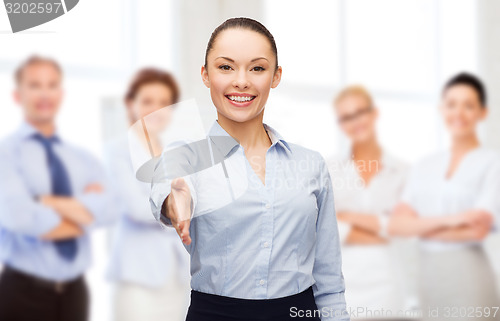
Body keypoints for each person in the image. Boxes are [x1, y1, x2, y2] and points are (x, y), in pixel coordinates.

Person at [149, 17, 349, 321]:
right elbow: (168, 190)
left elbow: (329, 277)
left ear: (275, 76)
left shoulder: (310, 165)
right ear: (205, 75)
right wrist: (178, 200)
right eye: (225, 67)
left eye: (257, 68)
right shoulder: (187, 156)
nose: (241, 81)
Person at [0, 55, 116, 321]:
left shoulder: (81, 158)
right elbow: (19, 217)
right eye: (35, 85)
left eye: (52, 85)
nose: (45, 93)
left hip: (75, 293)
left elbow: (109, 210)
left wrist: (43, 201)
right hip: (22, 293)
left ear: (61, 94)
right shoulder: (5, 154)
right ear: (18, 95)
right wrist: (84, 216)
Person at [389, 72, 500, 321]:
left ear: (483, 113)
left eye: (468, 105)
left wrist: (417, 226)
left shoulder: (493, 163)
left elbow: (477, 229)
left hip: (470, 276)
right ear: (441, 109)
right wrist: (455, 220)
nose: (458, 113)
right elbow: (396, 225)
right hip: (429, 277)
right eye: (451, 104)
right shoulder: (424, 165)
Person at [106, 68, 190, 321]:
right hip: (138, 276)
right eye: (147, 101)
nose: (156, 109)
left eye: (164, 103)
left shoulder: (178, 152)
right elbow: (136, 208)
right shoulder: (117, 151)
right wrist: (179, 208)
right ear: (131, 104)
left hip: (178, 275)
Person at [327, 86, 411, 320]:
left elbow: (406, 229)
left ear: (374, 114)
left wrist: (347, 218)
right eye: (346, 117)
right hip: (342, 286)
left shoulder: (402, 171)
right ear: (340, 124)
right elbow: (321, 228)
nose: (355, 122)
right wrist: (381, 228)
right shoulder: (328, 170)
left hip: (388, 287)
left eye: (360, 112)